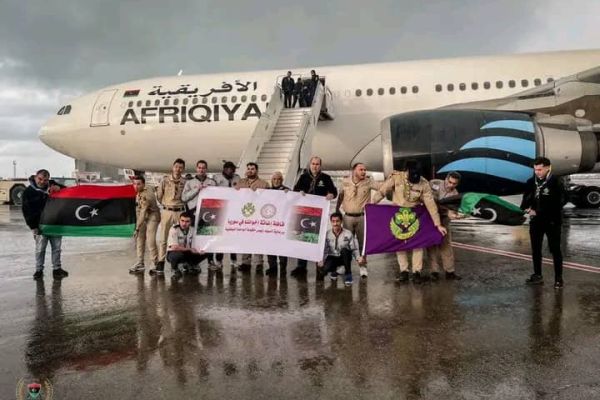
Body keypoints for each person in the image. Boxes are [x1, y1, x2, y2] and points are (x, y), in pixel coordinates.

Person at [373, 160, 446, 284]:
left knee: (417, 244)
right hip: (398, 216)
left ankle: (417, 272)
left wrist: (438, 224)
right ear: (406, 170)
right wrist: (372, 204)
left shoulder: (423, 183)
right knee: (400, 244)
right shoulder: (396, 178)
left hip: (415, 216)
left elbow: (430, 204)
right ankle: (404, 271)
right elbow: (382, 191)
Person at [520, 157, 566, 288]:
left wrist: (539, 212)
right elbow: (525, 201)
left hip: (552, 222)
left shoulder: (556, 182)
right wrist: (527, 208)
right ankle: (537, 275)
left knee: (555, 250)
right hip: (536, 222)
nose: (537, 172)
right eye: (535, 170)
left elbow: (561, 202)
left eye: (540, 169)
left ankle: (558, 279)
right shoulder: (531, 182)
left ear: (547, 168)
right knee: (536, 250)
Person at [291, 156, 337, 279]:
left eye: (317, 164)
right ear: (310, 164)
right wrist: (299, 192)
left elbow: (334, 192)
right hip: (305, 213)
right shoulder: (303, 177)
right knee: (303, 239)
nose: (315, 166)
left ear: (320, 166)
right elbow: (295, 190)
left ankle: (319, 265)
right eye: (313, 164)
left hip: (319, 214)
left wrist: (331, 195)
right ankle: (301, 266)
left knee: (319, 240)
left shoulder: (326, 178)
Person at [336, 162, 382, 279]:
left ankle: (363, 266)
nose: (364, 172)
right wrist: (337, 211)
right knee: (346, 242)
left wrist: (376, 200)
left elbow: (382, 188)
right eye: (361, 170)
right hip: (348, 217)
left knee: (363, 243)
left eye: (365, 170)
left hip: (362, 217)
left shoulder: (368, 182)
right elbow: (340, 196)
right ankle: (345, 265)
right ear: (354, 171)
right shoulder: (345, 182)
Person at [21, 169, 69, 280]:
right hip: (40, 226)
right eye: (40, 179)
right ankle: (39, 271)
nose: (42, 182)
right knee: (40, 249)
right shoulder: (28, 192)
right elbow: (26, 211)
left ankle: (57, 269)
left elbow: (68, 192)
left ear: (48, 179)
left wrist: (60, 188)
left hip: (56, 224)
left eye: (45, 180)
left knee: (57, 248)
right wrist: (33, 227)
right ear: (35, 177)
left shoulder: (53, 185)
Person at [182, 160, 217, 267]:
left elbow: (217, 198)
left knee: (208, 236)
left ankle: (210, 261)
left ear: (206, 169)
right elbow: (184, 198)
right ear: (196, 169)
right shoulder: (189, 182)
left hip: (207, 212)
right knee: (192, 237)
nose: (201, 170)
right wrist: (197, 190)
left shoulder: (212, 182)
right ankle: (191, 261)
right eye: (199, 168)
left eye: (203, 168)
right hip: (193, 212)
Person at [428, 172, 463, 280]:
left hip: (444, 220)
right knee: (431, 246)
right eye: (450, 182)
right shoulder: (434, 183)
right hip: (430, 219)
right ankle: (434, 272)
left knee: (446, 246)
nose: (451, 185)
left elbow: (452, 211)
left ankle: (450, 272)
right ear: (446, 179)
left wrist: (454, 215)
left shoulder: (455, 194)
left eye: (454, 184)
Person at [155, 158, 187, 274]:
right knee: (163, 238)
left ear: (183, 169)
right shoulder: (165, 180)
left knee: (181, 237)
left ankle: (181, 263)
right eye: (176, 167)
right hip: (167, 211)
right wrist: (166, 205)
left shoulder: (185, 182)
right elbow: (159, 196)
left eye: (180, 167)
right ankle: (161, 262)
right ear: (173, 167)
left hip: (180, 212)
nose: (178, 169)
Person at [236, 162, 269, 273]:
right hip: (244, 216)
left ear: (257, 171)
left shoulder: (264, 184)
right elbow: (234, 196)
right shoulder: (240, 183)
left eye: (252, 169)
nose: (250, 170)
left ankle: (259, 263)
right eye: (248, 168)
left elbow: (269, 199)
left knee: (258, 239)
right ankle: (246, 262)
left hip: (258, 216)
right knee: (245, 239)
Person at [317, 212, 364, 287]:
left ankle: (348, 274)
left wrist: (358, 258)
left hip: (344, 257)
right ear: (331, 222)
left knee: (344, 250)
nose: (335, 223)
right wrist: (321, 259)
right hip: (332, 257)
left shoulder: (348, 233)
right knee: (323, 271)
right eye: (333, 221)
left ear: (341, 221)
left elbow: (354, 249)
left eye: (337, 221)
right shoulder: (327, 234)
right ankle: (335, 271)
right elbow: (324, 250)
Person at [161, 212, 207, 279]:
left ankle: (191, 265)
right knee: (177, 255)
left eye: (187, 221)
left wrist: (200, 250)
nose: (184, 223)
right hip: (174, 253)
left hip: (188, 253)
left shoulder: (193, 229)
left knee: (206, 252)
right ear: (179, 220)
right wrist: (190, 249)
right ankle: (175, 269)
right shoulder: (174, 229)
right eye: (182, 221)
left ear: (191, 222)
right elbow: (174, 247)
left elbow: (198, 244)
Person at [129, 175, 161, 274]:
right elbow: (154, 188)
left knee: (150, 240)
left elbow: (143, 213)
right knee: (140, 239)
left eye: (138, 184)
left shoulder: (146, 197)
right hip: (142, 215)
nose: (136, 186)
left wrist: (137, 228)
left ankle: (154, 262)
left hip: (152, 216)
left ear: (143, 184)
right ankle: (140, 262)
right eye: (134, 184)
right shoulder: (148, 187)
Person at [213, 161, 241, 270]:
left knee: (232, 236)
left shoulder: (237, 178)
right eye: (228, 169)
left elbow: (242, 190)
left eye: (232, 169)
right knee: (220, 237)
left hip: (233, 211)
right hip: (220, 210)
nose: (230, 171)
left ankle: (233, 260)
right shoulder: (217, 178)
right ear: (224, 169)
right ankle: (219, 260)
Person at [266, 172, 289, 277]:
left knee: (282, 247)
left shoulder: (287, 190)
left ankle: (283, 268)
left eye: (278, 179)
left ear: (282, 180)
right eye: (274, 179)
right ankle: (272, 267)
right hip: (270, 224)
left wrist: (289, 195)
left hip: (282, 224)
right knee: (270, 247)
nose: (276, 181)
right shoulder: (267, 191)